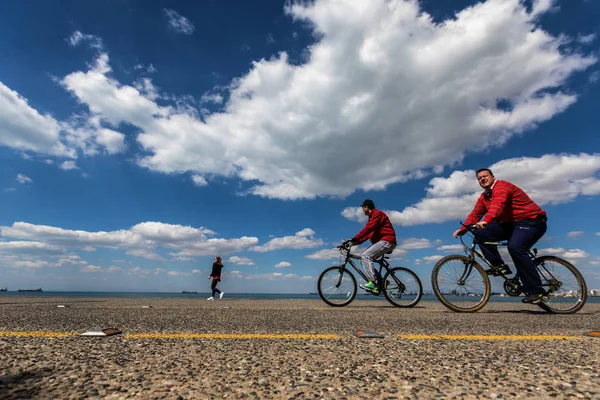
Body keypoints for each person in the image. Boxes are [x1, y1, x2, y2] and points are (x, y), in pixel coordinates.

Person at [453, 168, 548, 304]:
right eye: (479, 178)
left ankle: (536, 291)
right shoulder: (484, 196)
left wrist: (487, 220)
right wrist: (463, 229)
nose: (482, 179)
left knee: (515, 247)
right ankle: (499, 266)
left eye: (485, 176)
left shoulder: (502, 187)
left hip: (531, 221)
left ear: (493, 177)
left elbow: (499, 204)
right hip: (511, 224)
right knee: (480, 234)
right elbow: (475, 214)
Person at [347, 199, 397, 295]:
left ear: (366, 207)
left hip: (387, 240)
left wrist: (354, 238)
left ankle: (373, 283)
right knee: (363, 260)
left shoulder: (377, 214)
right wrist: (350, 243)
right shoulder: (372, 218)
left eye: (363, 208)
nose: (362, 210)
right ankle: (381, 281)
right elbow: (366, 235)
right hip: (384, 242)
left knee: (365, 255)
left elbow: (368, 229)